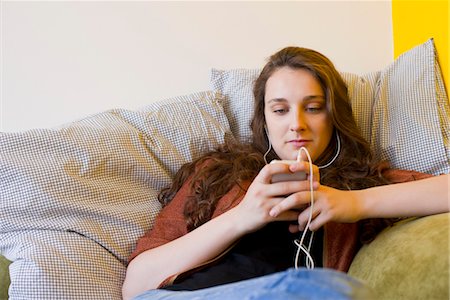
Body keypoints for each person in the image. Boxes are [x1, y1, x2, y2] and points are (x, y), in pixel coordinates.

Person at [122, 47, 449, 299]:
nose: (297, 124)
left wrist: (353, 204)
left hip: (310, 290)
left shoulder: (355, 186)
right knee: (317, 288)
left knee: (324, 288)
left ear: (333, 115)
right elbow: (136, 286)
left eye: (313, 107)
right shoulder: (219, 174)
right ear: (264, 119)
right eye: (280, 109)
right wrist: (243, 216)